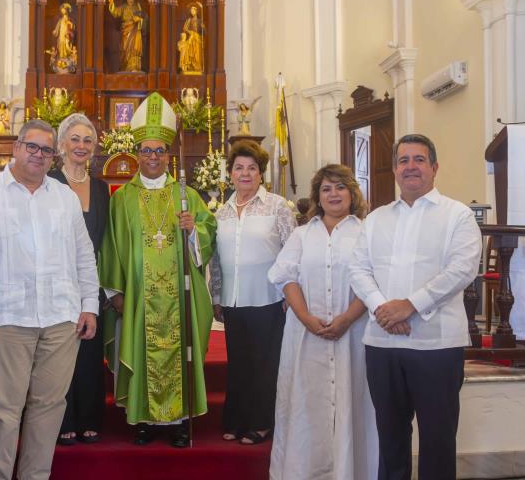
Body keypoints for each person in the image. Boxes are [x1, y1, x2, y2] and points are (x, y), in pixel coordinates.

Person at [0, 119, 100, 480]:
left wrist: (89, 305)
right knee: (4, 410)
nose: (39, 155)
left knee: (49, 407)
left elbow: (83, 255)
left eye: (46, 150)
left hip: (60, 318)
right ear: (16, 147)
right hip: (8, 319)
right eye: (32, 147)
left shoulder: (64, 198)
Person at [349, 134, 482, 479]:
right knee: (390, 437)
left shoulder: (458, 215)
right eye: (403, 160)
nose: (411, 166)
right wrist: (383, 309)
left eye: (419, 159)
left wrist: (409, 305)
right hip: (383, 344)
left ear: (434, 167)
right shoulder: (376, 218)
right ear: (394, 170)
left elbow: (462, 269)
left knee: (438, 440)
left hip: (436, 344)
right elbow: (359, 269)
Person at [99, 91, 217, 448]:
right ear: (136, 154)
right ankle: (144, 420)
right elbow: (112, 245)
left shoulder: (187, 195)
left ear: (168, 155)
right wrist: (116, 292)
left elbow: (210, 234)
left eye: (159, 151)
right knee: (141, 349)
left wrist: (192, 230)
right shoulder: (121, 198)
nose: (153, 157)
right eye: (146, 150)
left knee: (179, 351)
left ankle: (179, 422)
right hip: (138, 295)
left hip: (178, 298)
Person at [267, 163, 377, 479]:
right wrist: (306, 318)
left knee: (352, 403)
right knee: (306, 406)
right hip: (305, 337)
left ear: (351, 192)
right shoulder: (302, 234)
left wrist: (345, 319)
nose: (333, 194)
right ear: (317, 196)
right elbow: (286, 278)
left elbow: (373, 280)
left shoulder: (367, 232)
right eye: (326, 189)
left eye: (339, 187)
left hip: (353, 333)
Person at [209, 139, 296, 445]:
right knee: (239, 365)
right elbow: (217, 261)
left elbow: (292, 253)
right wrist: (216, 296)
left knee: (264, 365)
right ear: (230, 173)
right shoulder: (222, 213)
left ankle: (261, 422)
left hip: (269, 300)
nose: (245, 174)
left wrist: (290, 294)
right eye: (239, 168)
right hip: (233, 301)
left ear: (261, 174)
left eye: (252, 168)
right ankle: (236, 419)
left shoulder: (277, 207)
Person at [48, 113, 111, 446]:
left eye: (87, 140)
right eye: (74, 139)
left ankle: (89, 417)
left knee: (88, 353)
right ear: (61, 145)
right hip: (57, 285)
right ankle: (63, 419)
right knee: (59, 355)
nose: (81, 146)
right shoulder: (49, 183)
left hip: (90, 284)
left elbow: (105, 239)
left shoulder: (101, 188)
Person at [107, 0, 146, 72]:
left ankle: (135, 67)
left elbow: (143, 18)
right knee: (125, 48)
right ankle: (125, 67)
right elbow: (115, 12)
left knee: (135, 48)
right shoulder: (123, 7)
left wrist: (140, 19)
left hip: (136, 31)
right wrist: (111, 3)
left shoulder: (138, 7)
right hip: (126, 31)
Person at [181, 3, 204, 73]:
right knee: (191, 53)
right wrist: (190, 32)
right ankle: (191, 66)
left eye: (193, 10)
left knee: (197, 53)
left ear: (196, 11)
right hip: (191, 38)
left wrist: (203, 27)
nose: (192, 11)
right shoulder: (189, 20)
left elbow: (205, 32)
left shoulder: (200, 21)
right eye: (191, 10)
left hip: (197, 39)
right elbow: (184, 28)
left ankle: (197, 67)